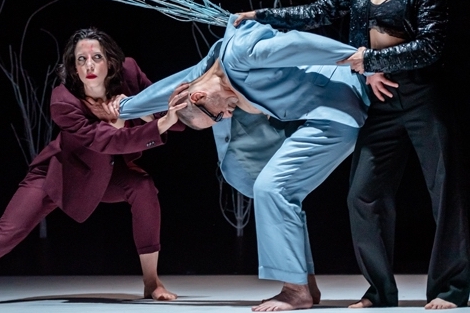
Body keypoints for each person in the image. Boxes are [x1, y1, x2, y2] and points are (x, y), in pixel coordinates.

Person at [234, 0, 469, 309]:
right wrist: (263, 16)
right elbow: (319, 11)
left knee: (445, 192)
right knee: (363, 195)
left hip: (422, 98)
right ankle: (379, 291)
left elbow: (430, 46)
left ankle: (450, 288)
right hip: (378, 101)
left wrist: (371, 61)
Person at [0, 27, 185, 308]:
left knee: (142, 186)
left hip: (105, 174)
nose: (89, 65)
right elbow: (105, 142)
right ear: (73, 67)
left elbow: (164, 107)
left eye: (96, 57)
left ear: (111, 62)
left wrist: (144, 110)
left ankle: (151, 282)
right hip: (60, 175)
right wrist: (126, 120)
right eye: (81, 59)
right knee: (0, 239)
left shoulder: (129, 73)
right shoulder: (63, 101)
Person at [110, 16, 370, 311]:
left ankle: (295, 291)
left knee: (273, 188)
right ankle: (304, 284)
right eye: (219, 118)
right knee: (267, 187)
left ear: (200, 96)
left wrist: (358, 57)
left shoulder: (240, 52)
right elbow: (170, 88)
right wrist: (126, 107)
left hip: (334, 110)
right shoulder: (210, 67)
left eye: (216, 115)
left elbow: (297, 43)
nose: (227, 116)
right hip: (321, 110)